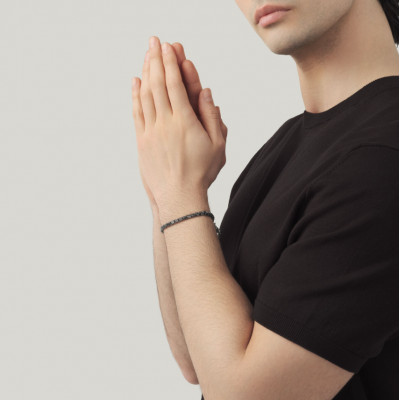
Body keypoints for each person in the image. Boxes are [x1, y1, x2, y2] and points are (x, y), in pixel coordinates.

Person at [131, 0, 399, 399]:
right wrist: (167, 186)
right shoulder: (287, 146)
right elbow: (196, 359)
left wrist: (181, 194)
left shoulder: (382, 158)